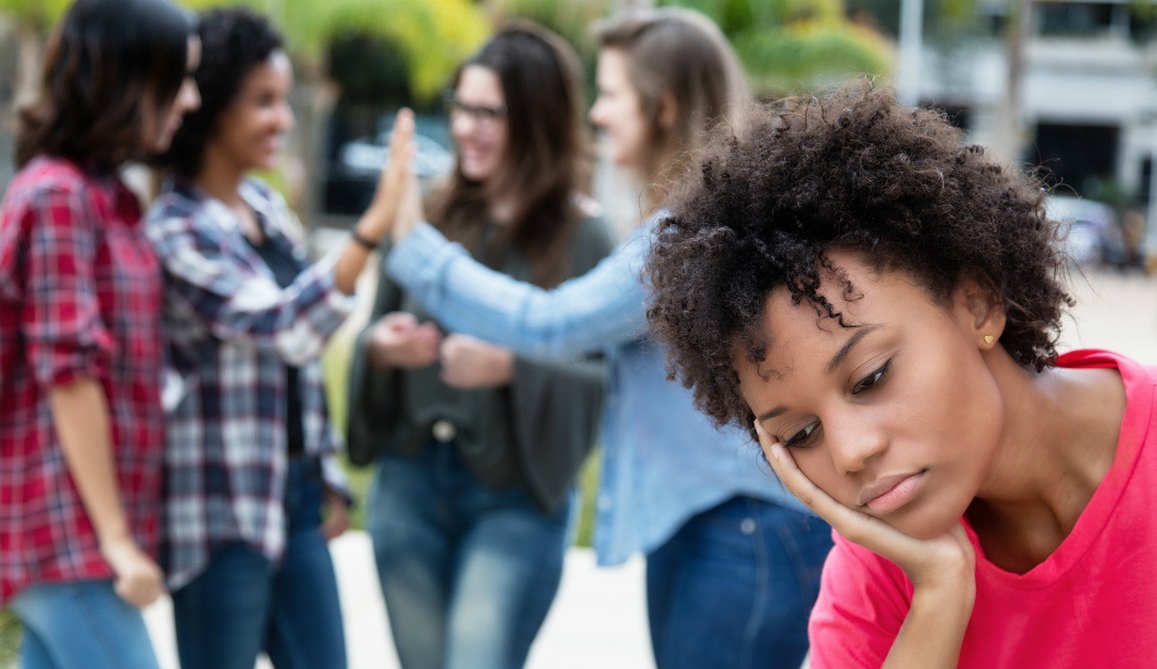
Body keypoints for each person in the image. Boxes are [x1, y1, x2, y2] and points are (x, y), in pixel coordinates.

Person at [643, 81, 1157, 668]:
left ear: (977, 304)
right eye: (800, 435)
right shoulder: (885, 564)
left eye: (870, 378)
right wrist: (939, 596)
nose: (850, 453)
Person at [384, 9, 831, 668]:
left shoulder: (687, 233)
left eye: (613, 94)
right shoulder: (698, 221)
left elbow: (553, 323)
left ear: (662, 106)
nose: (596, 113)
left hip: (742, 534)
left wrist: (412, 242)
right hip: (724, 527)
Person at [143, 8, 415, 669]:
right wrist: (374, 224)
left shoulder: (265, 210)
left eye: (284, 100)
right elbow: (288, 326)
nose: (283, 119)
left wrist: (323, 473)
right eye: (264, 101)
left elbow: (301, 366)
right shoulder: (176, 230)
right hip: (221, 516)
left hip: (293, 500)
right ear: (210, 110)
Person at [347, 22, 613, 669]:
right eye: (462, 107)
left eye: (490, 112)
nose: (467, 127)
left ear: (538, 119)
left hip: (513, 500)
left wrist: (510, 367)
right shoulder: (430, 215)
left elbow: (610, 382)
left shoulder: (585, 237)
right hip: (409, 485)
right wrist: (382, 348)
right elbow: (372, 329)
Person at [0, 1, 200, 667]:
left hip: (80, 534)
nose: (191, 98)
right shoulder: (57, 197)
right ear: (126, 79)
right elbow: (70, 375)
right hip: (60, 532)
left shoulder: (109, 199)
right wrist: (118, 539)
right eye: (177, 78)